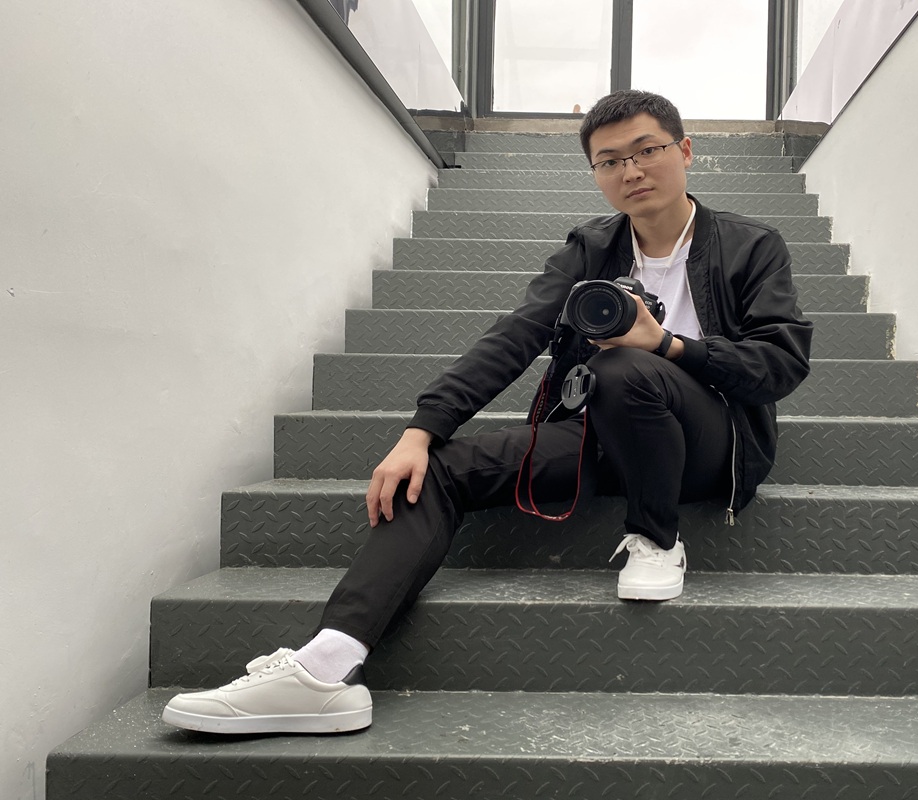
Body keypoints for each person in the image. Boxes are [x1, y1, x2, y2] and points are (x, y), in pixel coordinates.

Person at [161, 90, 813, 735]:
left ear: (686, 151)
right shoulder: (591, 249)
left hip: (709, 446)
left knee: (623, 366)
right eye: (610, 161)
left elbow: (780, 365)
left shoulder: (750, 246)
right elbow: (515, 336)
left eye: (647, 151)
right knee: (437, 470)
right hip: (601, 435)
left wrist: (667, 345)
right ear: (595, 174)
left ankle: (656, 539)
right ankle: (325, 669)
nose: (631, 171)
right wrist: (422, 430)